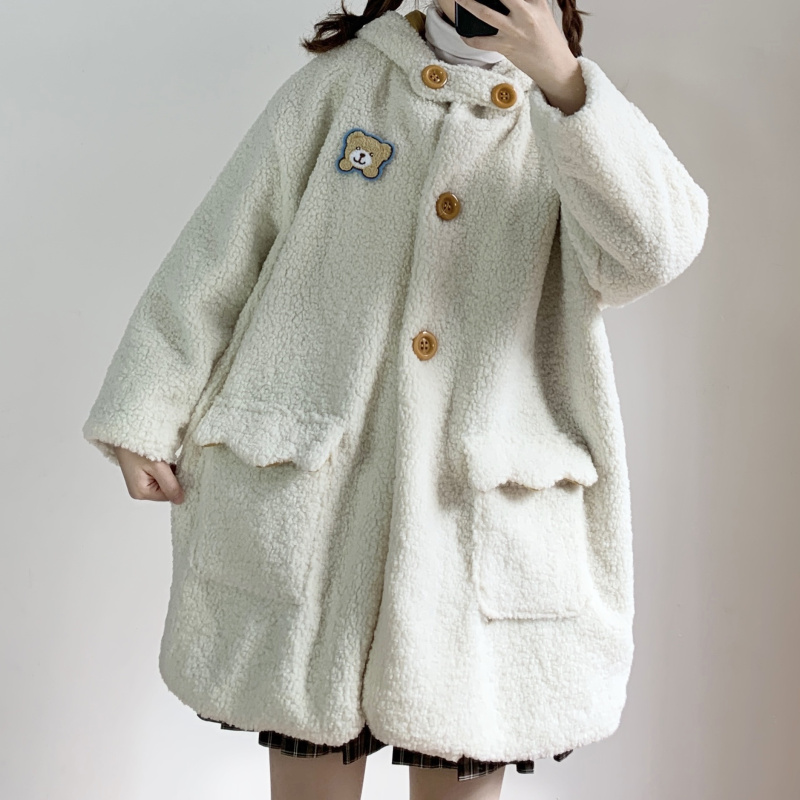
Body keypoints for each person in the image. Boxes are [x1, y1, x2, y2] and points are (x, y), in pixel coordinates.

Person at [82, 0, 709, 798]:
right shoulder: (343, 87)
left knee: (460, 739)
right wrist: (146, 411)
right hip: (316, 509)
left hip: (479, 523)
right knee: (308, 736)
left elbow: (652, 252)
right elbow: (222, 249)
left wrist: (563, 81)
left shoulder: (572, 120)